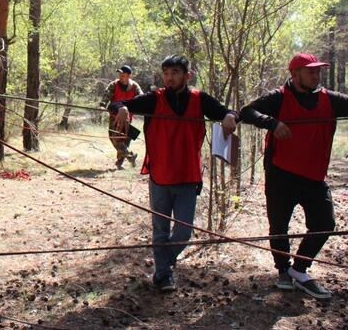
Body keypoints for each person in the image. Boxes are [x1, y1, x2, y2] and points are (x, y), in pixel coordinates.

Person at [111, 55, 237, 292]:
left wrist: (231, 115)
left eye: (175, 73)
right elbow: (116, 104)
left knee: (183, 230)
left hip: (188, 176)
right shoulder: (154, 98)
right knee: (160, 228)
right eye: (166, 73)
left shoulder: (200, 99)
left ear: (187, 75)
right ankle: (164, 274)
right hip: (160, 174)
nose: (169, 78)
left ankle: (163, 265)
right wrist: (124, 108)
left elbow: (225, 112)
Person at [239, 53, 348, 299]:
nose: (316, 75)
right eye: (310, 71)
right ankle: (283, 271)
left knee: (324, 224)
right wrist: (273, 123)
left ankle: (299, 269)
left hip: (314, 175)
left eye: (318, 71)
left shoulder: (330, 99)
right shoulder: (278, 97)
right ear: (295, 74)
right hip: (281, 173)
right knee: (279, 226)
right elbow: (247, 112)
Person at [101, 65, 143, 169]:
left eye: (123, 75)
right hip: (114, 116)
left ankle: (121, 161)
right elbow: (106, 95)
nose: (120, 76)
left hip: (128, 118)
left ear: (129, 76)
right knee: (114, 138)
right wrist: (102, 105)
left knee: (124, 140)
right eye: (119, 74)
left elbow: (141, 98)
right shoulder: (114, 85)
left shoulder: (135, 86)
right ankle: (129, 157)